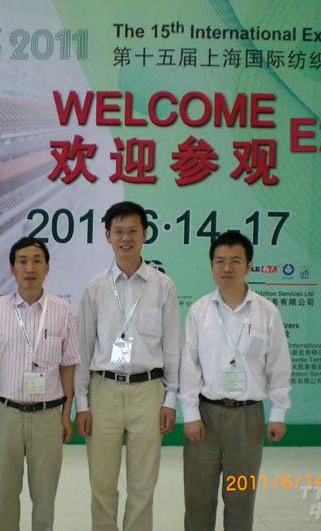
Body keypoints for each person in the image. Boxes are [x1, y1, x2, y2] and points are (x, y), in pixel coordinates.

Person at [75, 201, 181, 531]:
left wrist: (170, 399)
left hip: (148, 393)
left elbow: (172, 348)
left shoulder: (163, 286)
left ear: (145, 235)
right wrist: (82, 404)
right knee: (102, 484)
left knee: (143, 485)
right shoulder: (95, 288)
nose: (126, 238)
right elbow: (83, 349)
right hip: (103, 391)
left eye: (133, 231)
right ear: (107, 235)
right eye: (118, 231)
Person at [179, 231, 292, 531]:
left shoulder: (267, 312)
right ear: (211, 266)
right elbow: (189, 367)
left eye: (235, 261)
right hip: (205, 417)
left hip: (247, 419)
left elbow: (279, 364)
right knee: (198, 499)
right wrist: (189, 414)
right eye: (219, 261)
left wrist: (279, 413)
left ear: (249, 266)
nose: (226, 268)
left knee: (241, 499)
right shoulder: (199, 311)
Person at [0, 236, 80, 531]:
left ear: (47, 267)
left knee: (45, 498)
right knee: (6, 497)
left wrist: (66, 413)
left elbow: (68, 366)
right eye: (22, 261)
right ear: (12, 268)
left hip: (48, 416)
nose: (30, 268)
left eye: (37, 261)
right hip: (6, 414)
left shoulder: (62, 310)